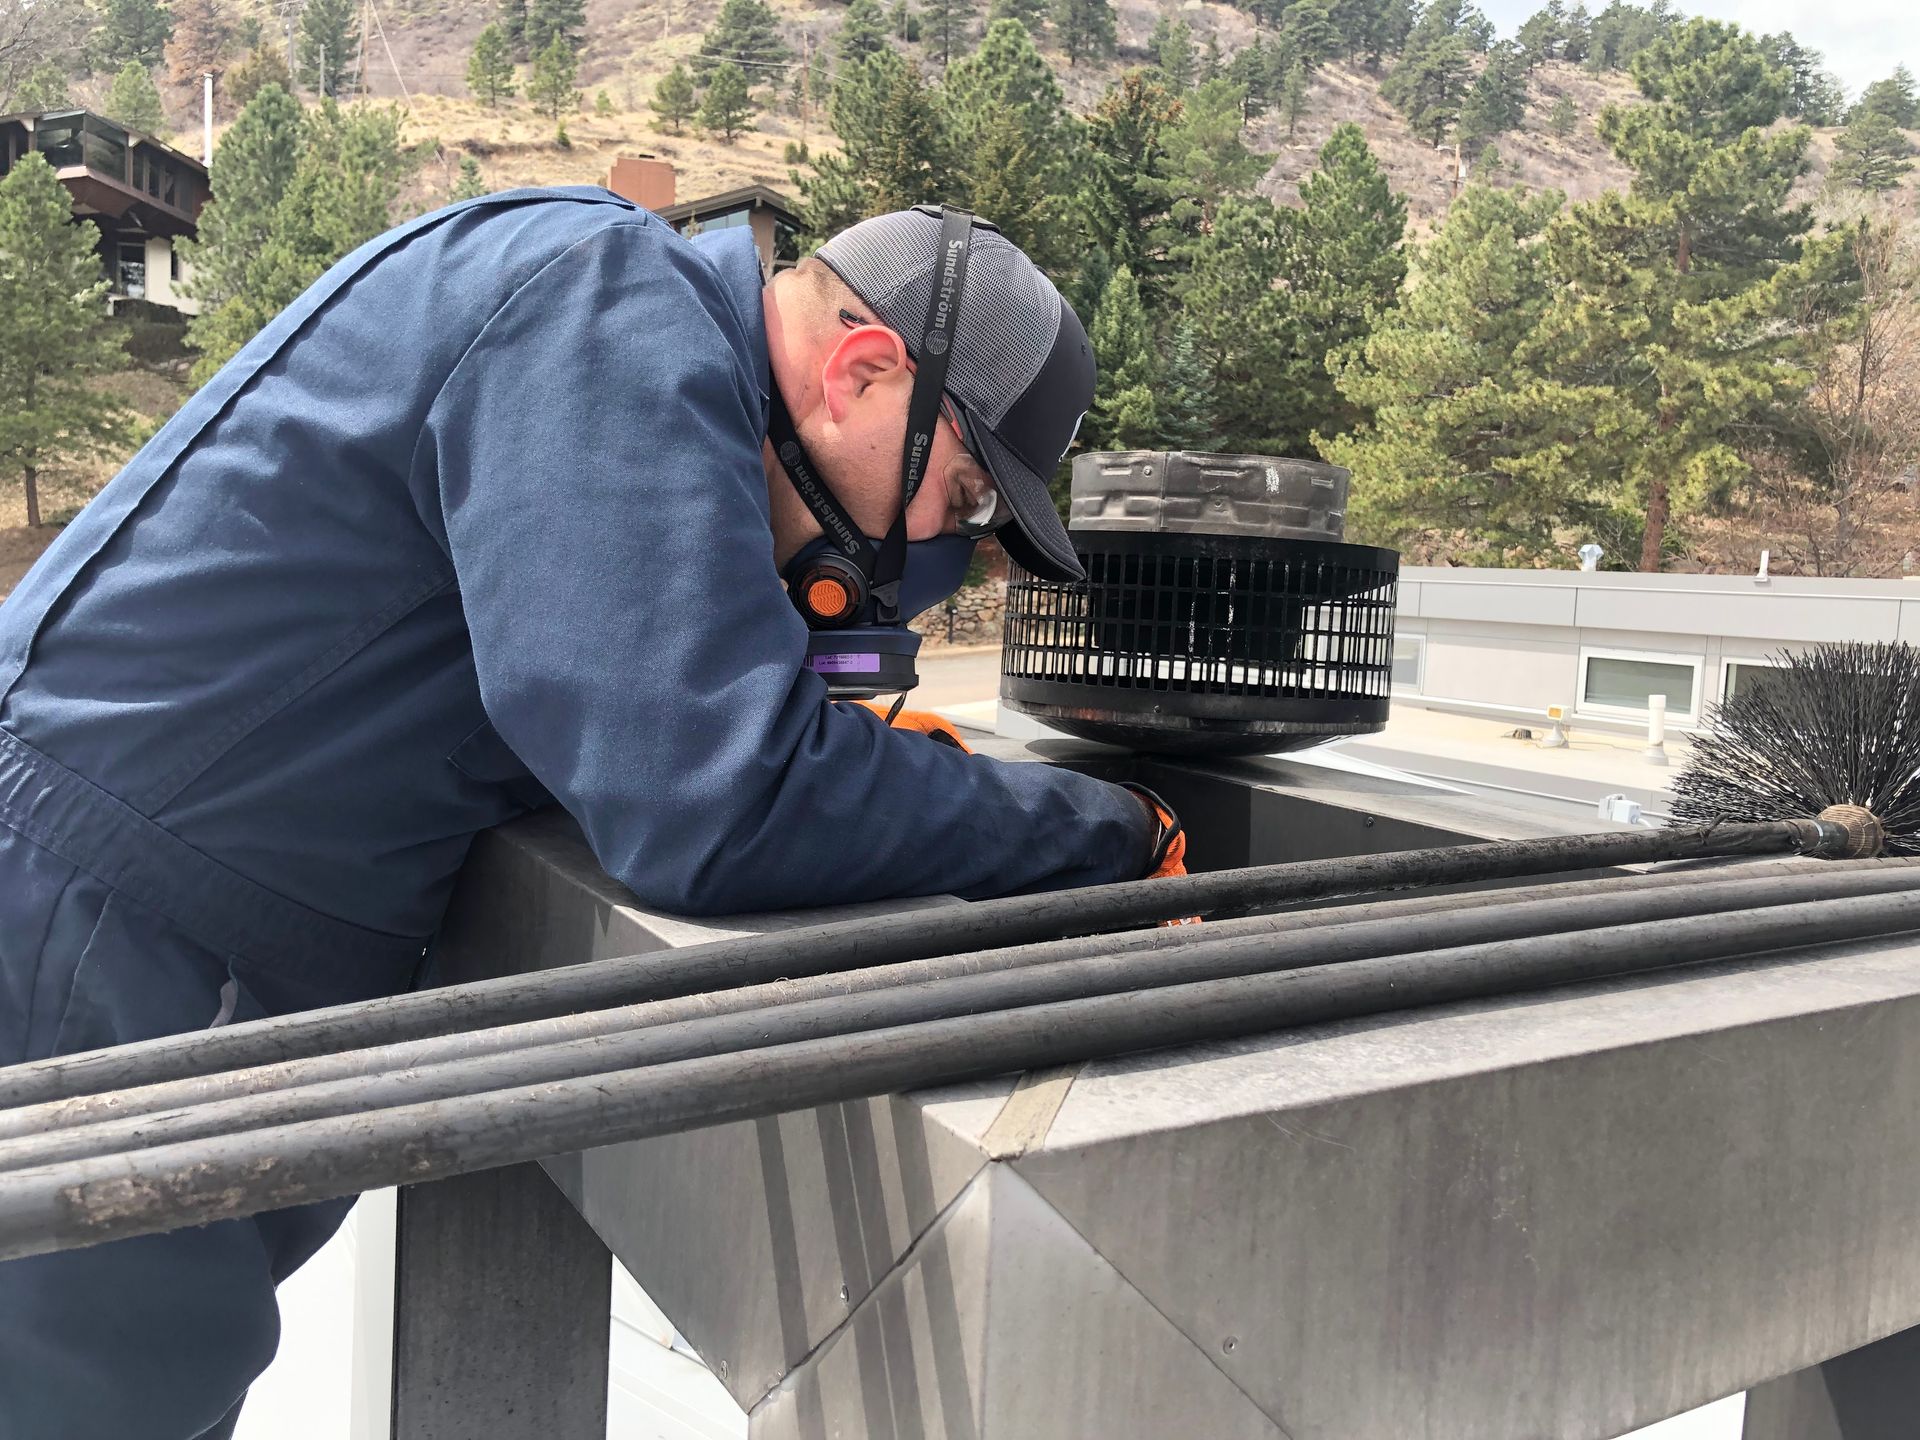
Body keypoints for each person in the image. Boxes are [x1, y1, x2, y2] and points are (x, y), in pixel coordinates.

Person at [0, 192, 1182, 1435]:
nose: (946, 548)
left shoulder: (630, 330)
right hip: (93, 941)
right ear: (863, 368)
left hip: (150, 939)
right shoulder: (609, 311)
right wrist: (1108, 831)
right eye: (965, 497)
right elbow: (716, 797)